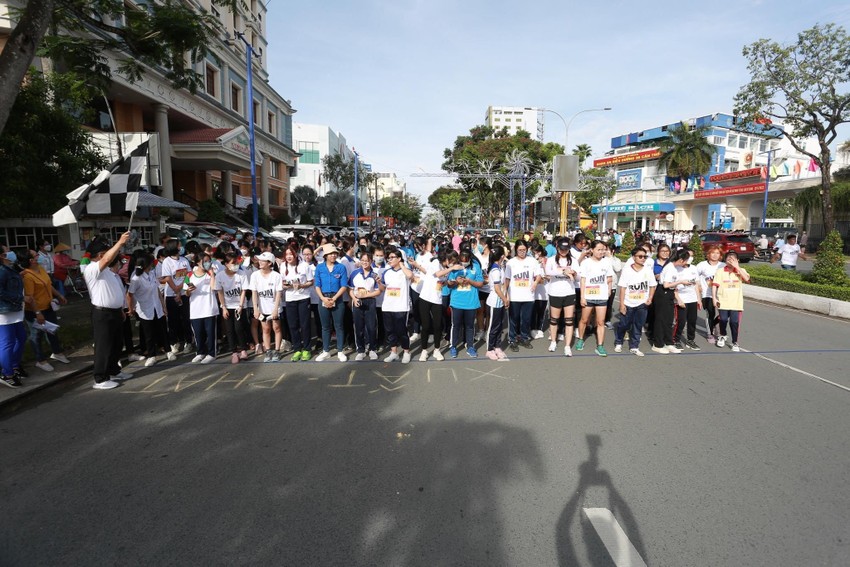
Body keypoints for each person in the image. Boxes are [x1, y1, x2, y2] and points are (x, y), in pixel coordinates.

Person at [84, 232, 133, 390]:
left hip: (114, 312)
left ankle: (113, 371)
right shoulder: (92, 269)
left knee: (116, 344)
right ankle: (100, 378)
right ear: (100, 255)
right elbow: (106, 260)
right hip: (102, 313)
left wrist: (120, 309)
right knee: (103, 345)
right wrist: (119, 242)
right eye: (107, 252)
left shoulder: (108, 272)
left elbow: (113, 291)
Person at [21, 249, 68, 372]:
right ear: (31, 260)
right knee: (36, 336)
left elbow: (49, 285)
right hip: (34, 311)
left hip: (48, 307)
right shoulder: (27, 276)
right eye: (36, 255)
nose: (39, 256)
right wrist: (37, 313)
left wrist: (59, 295)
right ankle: (40, 360)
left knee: (52, 331)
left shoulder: (40, 269)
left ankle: (57, 352)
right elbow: (29, 298)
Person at [128, 253, 171, 367]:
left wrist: (163, 306)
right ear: (146, 264)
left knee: (162, 330)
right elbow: (130, 294)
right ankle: (151, 356)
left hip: (157, 307)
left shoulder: (152, 274)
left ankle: (168, 351)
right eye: (151, 263)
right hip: (145, 309)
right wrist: (131, 308)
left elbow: (157, 290)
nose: (153, 265)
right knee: (149, 334)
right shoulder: (136, 278)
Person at [613, 247, 656, 356]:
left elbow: (652, 285)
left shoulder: (648, 270)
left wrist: (650, 298)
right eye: (640, 256)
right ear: (633, 257)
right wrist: (622, 304)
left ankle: (634, 346)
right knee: (624, 324)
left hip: (642, 303)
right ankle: (619, 342)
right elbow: (622, 288)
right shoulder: (627, 270)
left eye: (645, 257)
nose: (643, 258)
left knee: (638, 325)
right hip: (628, 303)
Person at [577, 240, 614, 357]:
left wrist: (608, 290)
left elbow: (609, 278)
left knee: (600, 322)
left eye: (603, 249)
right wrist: (582, 297)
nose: (601, 252)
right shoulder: (586, 263)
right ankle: (581, 339)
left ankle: (600, 345)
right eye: (599, 249)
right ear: (592, 250)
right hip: (588, 296)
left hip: (602, 297)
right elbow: (582, 281)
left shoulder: (607, 262)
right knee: (584, 320)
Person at [504, 238, 542, 351]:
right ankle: (512, 339)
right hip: (514, 296)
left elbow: (538, 275)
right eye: (520, 250)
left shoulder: (532, 261)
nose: (522, 252)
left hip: (528, 296)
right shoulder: (511, 263)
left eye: (524, 250)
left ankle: (524, 337)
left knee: (526, 319)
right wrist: (505, 294)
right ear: (516, 250)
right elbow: (507, 279)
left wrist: (535, 282)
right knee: (514, 319)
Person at [314, 244, 348, 362]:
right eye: (331, 254)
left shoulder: (341, 267)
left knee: (339, 325)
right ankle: (326, 350)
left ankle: (340, 350)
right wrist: (323, 298)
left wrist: (334, 299)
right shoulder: (319, 267)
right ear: (326, 256)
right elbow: (317, 285)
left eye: (335, 253)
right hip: (323, 297)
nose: (333, 255)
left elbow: (344, 285)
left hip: (337, 298)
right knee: (325, 326)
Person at [447, 249, 484, 358]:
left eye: (466, 260)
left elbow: (480, 284)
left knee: (470, 326)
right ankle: (453, 346)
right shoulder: (455, 268)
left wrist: (470, 281)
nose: (464, 263)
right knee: (456, 325)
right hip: (457, 302)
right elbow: (449, 284)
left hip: (471, 303)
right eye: (461, 261)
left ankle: (470, 346)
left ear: (470, 259)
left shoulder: (475, 267)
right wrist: (456, 281)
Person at [381, 246, 416, 363]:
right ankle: (394, 352)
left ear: (399, 258)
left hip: (401, 306)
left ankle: (406, 352)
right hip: (388, 306)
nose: (389, 260)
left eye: (392, 257)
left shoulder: (405, 271)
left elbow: (411, 276)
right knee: (390, 331)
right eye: (388, 258)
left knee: (402, 330)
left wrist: (401, 265)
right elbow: (384, 287)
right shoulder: (386, 272)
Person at [545, 238, 577, 357]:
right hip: (555, 292)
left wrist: (573, 273)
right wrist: (563, 272)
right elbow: (548, 272)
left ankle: (567, 346)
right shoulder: (551, 260)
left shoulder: (573, 260)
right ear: (557, 248)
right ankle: (553, 341)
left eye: (566, 249)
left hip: (569, 292)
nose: (564, 251)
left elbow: (578, 277)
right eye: (561, 249)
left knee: (569, 320)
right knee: (554, 319)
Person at [712, 251, 750, 351]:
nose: (730, 261)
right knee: (723, 319)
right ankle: (722, 335)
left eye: (733, 259)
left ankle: (735, 342)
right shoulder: (720, 271)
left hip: (736, 302)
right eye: (729, 259)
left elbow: (746, 279)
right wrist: (714, 298)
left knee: (734, 322)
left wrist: (737, 267)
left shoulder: (741, 270)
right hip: (723, 300)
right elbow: (715, 285)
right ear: (725, 260)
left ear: (737, 260)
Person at [160, 241, 193, 356]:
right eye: (179, 245)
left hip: (184, 293)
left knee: (186, 319)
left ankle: (189, 341)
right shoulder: (167, 261)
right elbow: (168, 278)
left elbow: (188, 275)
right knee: (173, 320)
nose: (181, 247)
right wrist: (176, 291)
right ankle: (174, 342)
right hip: (171, 295)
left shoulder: (184, 260)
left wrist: (181, 290)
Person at [216, 252, 250, 364]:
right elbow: (220, 292)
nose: (236, 265)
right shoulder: (220, 275)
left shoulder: (241, 273)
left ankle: (243, 349)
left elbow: (243, 290)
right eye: (233, 263)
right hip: (227, 306)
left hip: (239, 306)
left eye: (237, 263)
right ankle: (234, 352)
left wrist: (240, 305)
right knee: (229, 330)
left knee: (239, 328)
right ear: (226, 264)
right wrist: (223, 307)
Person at [250, 251, 284, 362]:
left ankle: (277, 350)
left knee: (277, 328)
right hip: (262, 308)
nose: (259, 262)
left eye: (262, 260)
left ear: (270, 263)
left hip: (274, 308)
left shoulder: (276, 276)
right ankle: (268, 350)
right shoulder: (255, 275)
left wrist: (275, 310)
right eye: (259, 260)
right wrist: (255, 308)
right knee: (266, 329)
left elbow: (279, 293)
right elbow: (254, 293)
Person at [281, 246, 314, 362]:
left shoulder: (304, 265)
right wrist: (288, 285)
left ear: (295, 254)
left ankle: (307, 349)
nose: (289, 256)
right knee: (293, 325)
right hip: (290, 299)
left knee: (305, 324)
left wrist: (301, 285)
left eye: (291, 254)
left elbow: (311, 282)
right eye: (287, 254)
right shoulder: (282, 266)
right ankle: (297, 349)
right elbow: (282, 283)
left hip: (303, 297)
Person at [652, 249, 687, 354]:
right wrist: (680, 281)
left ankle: (668, 342)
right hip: (663, 293)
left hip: (670, 294)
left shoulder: (674, 268)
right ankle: (657, 344)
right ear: (681, 260)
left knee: (669, 320)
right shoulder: (670, 268)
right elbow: (666, 284)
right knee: (661, 319)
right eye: (686, 260)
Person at [185, 253, 219, 364]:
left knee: (210, 332)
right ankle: (200, 352)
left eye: (209, 261)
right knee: (198, 333)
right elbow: (186, 293)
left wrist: (212, 274)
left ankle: (211, 353)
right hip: (195, 310)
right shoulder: (189, 275)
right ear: (198, 262)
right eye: (205, 261)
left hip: (209, 308)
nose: (208, 263)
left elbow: (214, 288)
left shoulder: (211, 274)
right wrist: (189, 290)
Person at [0, 249, 26, 387]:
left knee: (21, 338)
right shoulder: (1, 270)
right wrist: (21, 298)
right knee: (7, 343)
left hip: (14, 310)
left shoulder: (7, 269)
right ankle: (7, 373)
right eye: (5, 252)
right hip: (4, 312)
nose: (9, 253)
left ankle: (14, 366)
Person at [349, 251, 381, 361]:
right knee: (358, 327)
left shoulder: (374, 274)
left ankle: (372, 349)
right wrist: (354, 298)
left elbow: (378, 291)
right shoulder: (355, 273)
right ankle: (361, 350)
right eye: (362, 260)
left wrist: (367, 295)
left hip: (370, 302)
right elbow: (351, 290)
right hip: (357, 302)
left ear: (371, 261)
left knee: (371, 327)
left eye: (367, 261)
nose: (364, 263)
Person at [672, 249, 701, 350]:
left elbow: (696, 284)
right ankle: (676, 339)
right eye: (688, 256)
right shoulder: (676, 269)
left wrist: (699, 299)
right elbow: (673, 287)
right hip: (681, 299)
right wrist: (678, 299)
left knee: (692, 321)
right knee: (681, 321)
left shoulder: (694, 268)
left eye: (692, 256)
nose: (690, 258)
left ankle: (690, 340)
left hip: (692, 299)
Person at [485, 245, 510, 361]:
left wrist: (506, 297)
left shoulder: (500, 268)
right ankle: (489, 349)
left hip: (500, 300)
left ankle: (497, 346)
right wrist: (504, 299)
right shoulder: (495, 270)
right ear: (501, 256)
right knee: (493, 326)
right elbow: (497, 288)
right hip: (494, 301)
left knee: (500, 325)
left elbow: (504, 285)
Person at [696, 245, 724, 344]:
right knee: (710, 313)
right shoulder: (702, 265)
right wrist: (698, 285)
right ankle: (710, 334)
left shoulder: (723, 266)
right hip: (706, 294)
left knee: (724, 315)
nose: (715, 255)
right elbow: (694, 275)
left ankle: (715, 325)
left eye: (717, 253)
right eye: (713, 253)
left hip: (721, 294)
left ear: (720, 255)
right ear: (708, 254)